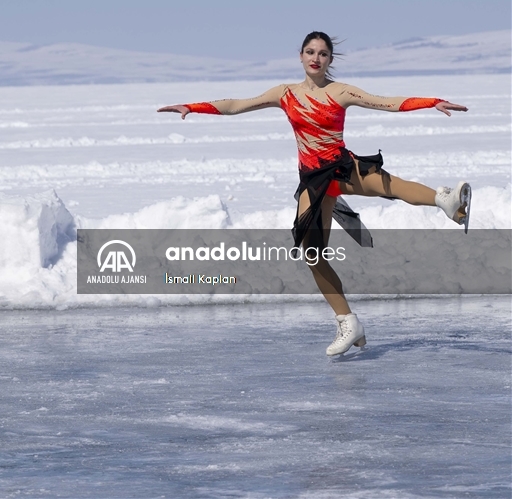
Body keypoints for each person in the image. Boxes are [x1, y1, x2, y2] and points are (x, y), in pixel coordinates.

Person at [158, 31, 469, 356]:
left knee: (387, 184)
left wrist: (432, 102)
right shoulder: (285, 93)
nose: (315, 58)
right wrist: (192, 107)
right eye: (310, 51)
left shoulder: (341, 91)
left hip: (340, 168)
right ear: (301, 55)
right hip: (312, 180)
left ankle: (445, 200)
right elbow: (238, 104)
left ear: (330, 60)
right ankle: (348, 322)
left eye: (322, 53)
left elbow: (387, 103)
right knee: (312, 253)